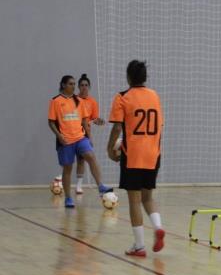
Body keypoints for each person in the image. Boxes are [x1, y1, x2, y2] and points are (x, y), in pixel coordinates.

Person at [107, 60, 166, 257]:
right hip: (153, 153)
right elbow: (160, 127)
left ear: (128, 77)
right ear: (145, 77)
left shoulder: (123, 97)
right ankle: (158, 226)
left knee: (134, 200)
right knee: (147, 197)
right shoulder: (155, 96)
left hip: (133, 154)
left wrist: (110, 149)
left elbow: (117, 127)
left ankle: (139, 246)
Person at [48, 75, 110, 208]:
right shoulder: (56, 101)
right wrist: (59, 136)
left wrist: (89, 137)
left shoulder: (79, 101)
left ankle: (100, 186)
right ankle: (68, 198)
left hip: (80, 138)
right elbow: (51, 122)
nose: (73, 86)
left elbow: (85, 121)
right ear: (64, 85)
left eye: (74, 84)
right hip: (65, 141)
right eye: (71, 84)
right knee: (68, 168)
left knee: (91, 156)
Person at [75, 74, 105, 195]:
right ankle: (61, 180)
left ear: (89, 87)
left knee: (83, 159)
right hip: (72, 132)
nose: (84, 87)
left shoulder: (92, 102)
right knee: (68, 162)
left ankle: (79, 186)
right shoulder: (74, 100)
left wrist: (99, 121)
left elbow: (93, 119)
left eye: (86, 85)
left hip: (85, 134)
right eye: (82, 85)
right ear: (78, 87)